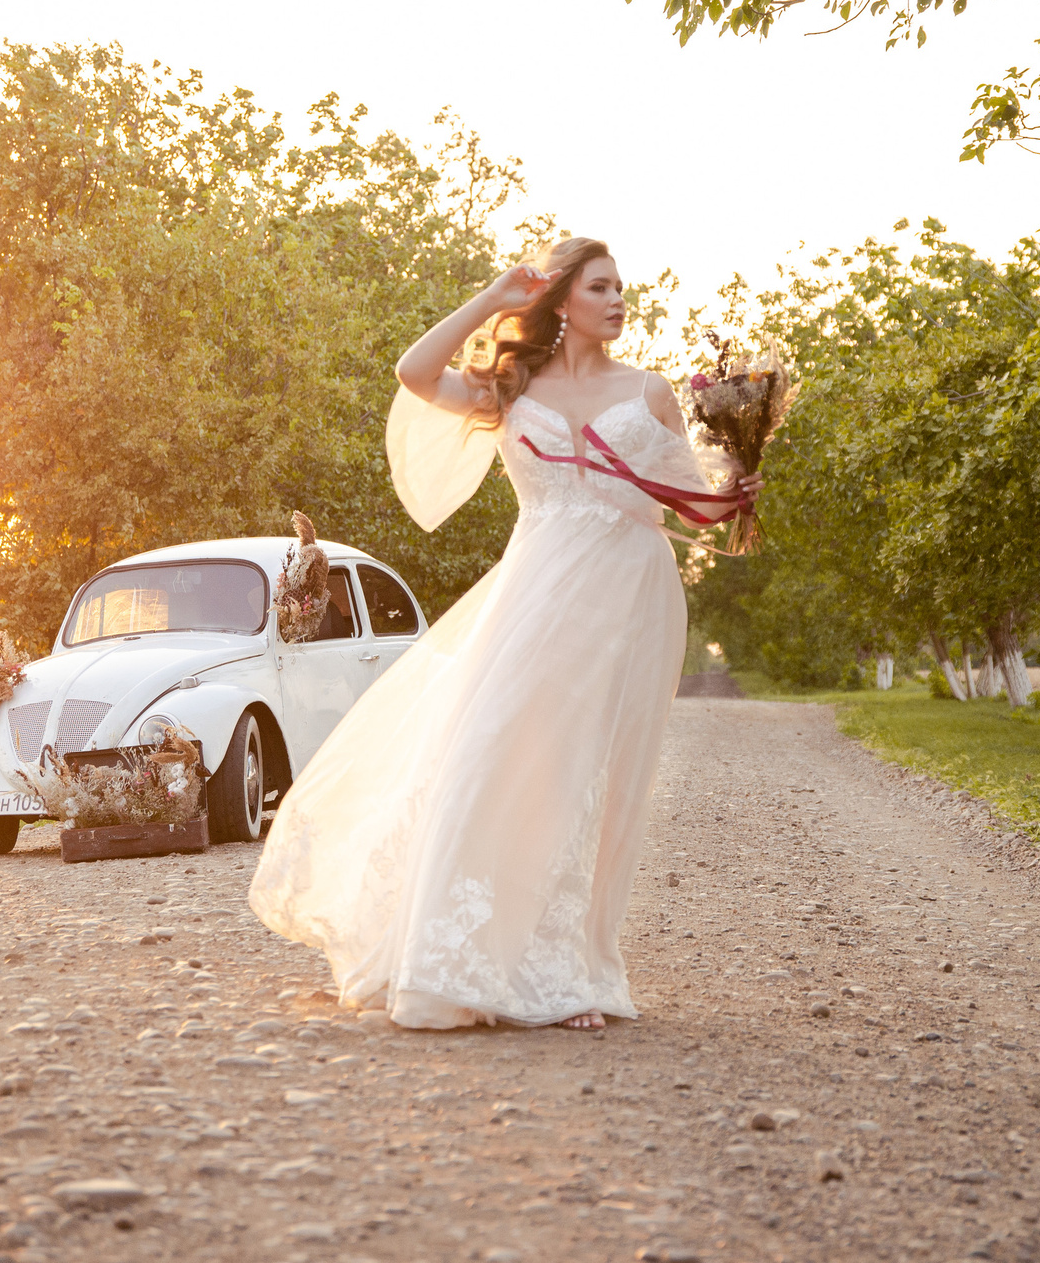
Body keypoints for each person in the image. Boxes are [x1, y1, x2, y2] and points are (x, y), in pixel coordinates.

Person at [248, 236, 759, 1030]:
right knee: (489, 755)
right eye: (600, 287)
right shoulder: (510, 388)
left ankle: (567, 970)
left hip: (629, 598)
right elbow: (414, 373)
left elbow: (695, 508)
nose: (620, 300)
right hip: (532, 595)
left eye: (623, 287)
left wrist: (738, 489)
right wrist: (493, 296)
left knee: (586, 775)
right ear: (561, 300)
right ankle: (457, 954)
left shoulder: (652, 391)